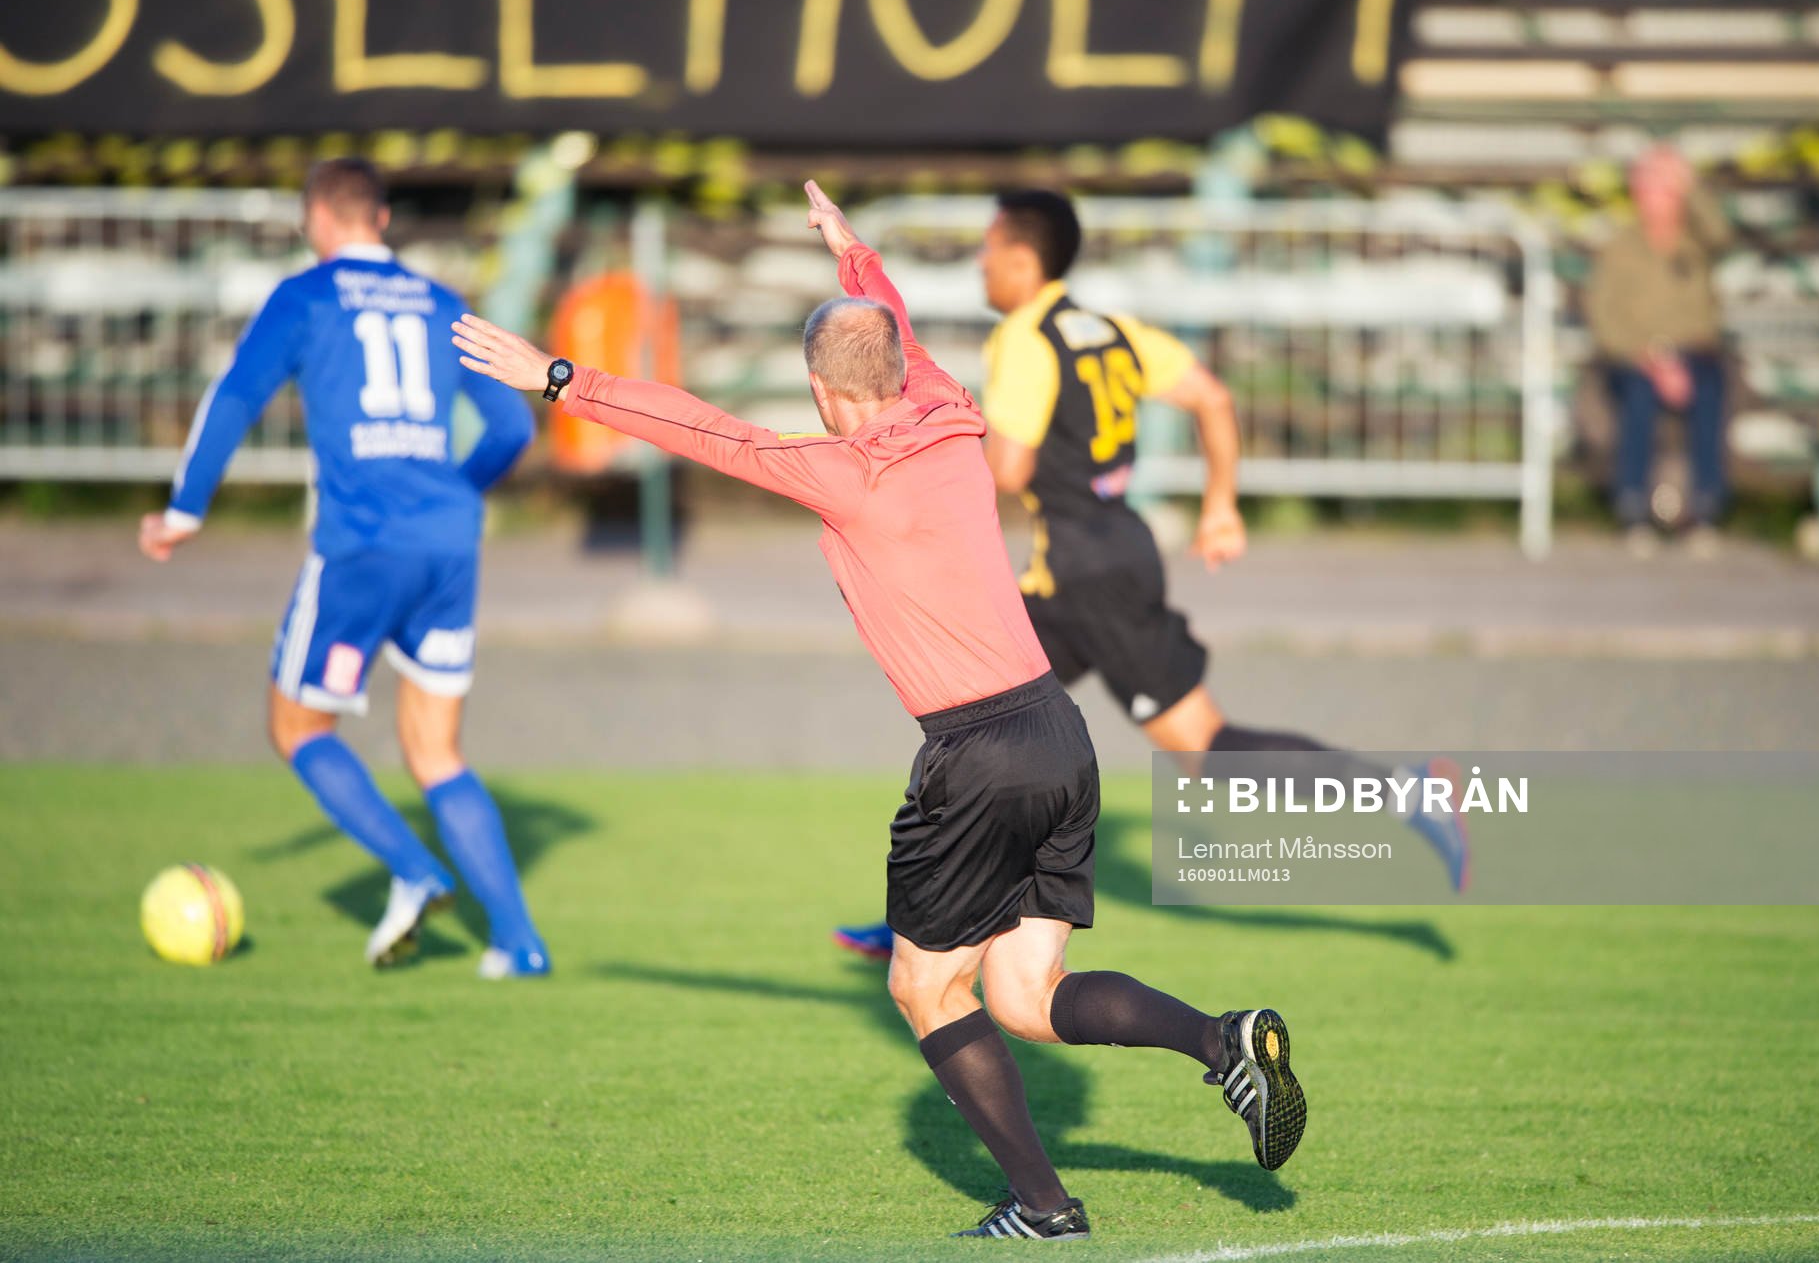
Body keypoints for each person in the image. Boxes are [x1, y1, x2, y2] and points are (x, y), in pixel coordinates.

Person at [450, 181, 1307, 1240]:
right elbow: (887, 322)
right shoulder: (948, 408)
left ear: (820, 386)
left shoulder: (844, 472)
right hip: (1060, 734)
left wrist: (559, 378)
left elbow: (702, 429)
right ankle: (1225, 1042)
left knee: (923, 986)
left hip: (976, 755)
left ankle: (1045, 1206)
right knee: (1027, 996)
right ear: (899, 368)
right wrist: (853, 255)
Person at [833, 188, 1468, 963]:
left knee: (1087, 739)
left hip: (1080, 579)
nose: (981, 262)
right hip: (1111, 560)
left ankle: (926, 919)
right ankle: (921, 920)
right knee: (999, 731)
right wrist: (1221, 504)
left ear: (1023, 261)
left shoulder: (1025, 338)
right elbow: (1211, 396)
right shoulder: (1111, 331)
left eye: (989, 248)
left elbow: (1008, 468)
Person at [139, 158, 550, 979]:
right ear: (383, 218)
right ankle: (518, 944)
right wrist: (451, 495)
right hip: (448, 545)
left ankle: (414, 870)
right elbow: (512, 426)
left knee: (297, 727)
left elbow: (235, 395)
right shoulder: (441, 302)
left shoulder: (306, 297)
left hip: (362, 544)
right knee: (437, 752)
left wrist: (184, 509)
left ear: (316, 220)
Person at [1586, 145, 1732, 558]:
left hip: (1696, 352)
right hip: (1637, 357)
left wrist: (1689, 182)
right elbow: (1604, 317)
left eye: (1666, 189)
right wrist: (1651, 360)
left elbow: (1722, 233)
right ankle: (1633, 508)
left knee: (1709, 394)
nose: (1658, 198)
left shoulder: (1697, 240)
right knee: (1637, 398)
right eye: (1650, 188)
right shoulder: (1620, 247)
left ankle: (1705, 509)